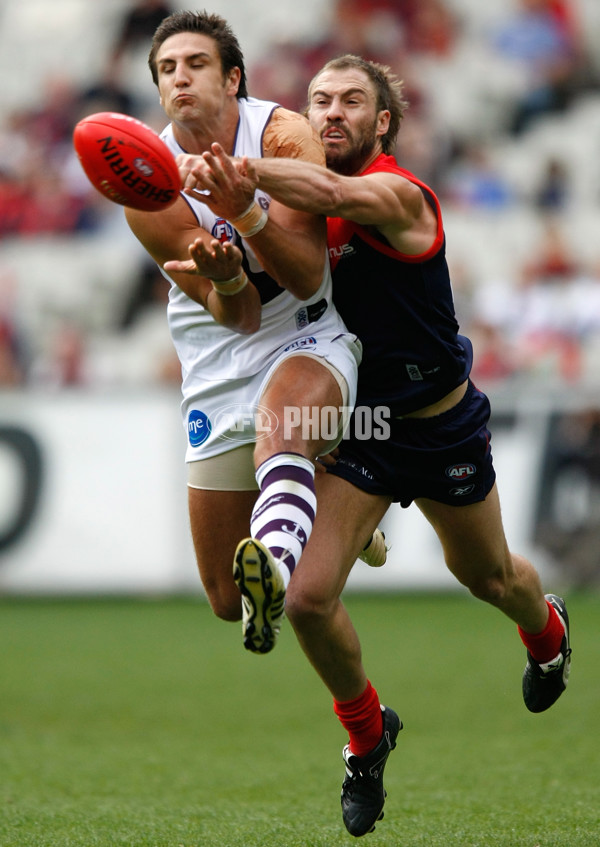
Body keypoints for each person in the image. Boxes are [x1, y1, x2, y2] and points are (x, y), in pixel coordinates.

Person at [178, 54, 573, 837]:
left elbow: (329, 191)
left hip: (438, 422)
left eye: (351, 102)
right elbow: (256, 298)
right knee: (305, 598)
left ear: (381, 121)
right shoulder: (296, 212)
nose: (330, 113)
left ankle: (548, 632)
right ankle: (366, 735)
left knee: (489, 577)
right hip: (361, 425)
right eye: (318, 100)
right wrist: (212, 261)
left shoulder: (397, 192)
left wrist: (237, 171)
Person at [125, 11, 381, 662]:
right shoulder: (146, 184)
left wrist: (244, 208)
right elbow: (233, 315)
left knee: (283, 422)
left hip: (305, 331)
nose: (179, 76)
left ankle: (276, 556)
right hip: (219, 353)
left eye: (196, 63)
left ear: (233, 78)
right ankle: (333, 505)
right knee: (221, 597)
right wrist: (227, 280)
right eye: (166, 69)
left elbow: (303, 275)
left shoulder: (283, 135)